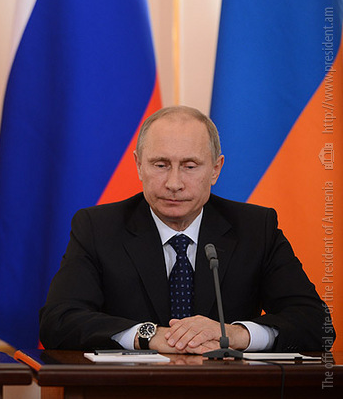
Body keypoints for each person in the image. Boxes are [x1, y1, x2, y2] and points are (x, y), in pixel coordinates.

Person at [40, 106, 332, 353]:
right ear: (139, 165)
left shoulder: (255, 229)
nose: (174, 183)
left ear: (215, 169)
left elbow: (317, 324)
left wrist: (234, 334)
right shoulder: (98, 228)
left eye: (190, 166)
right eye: (160, 165)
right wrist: (149, 335)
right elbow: (58, 322)